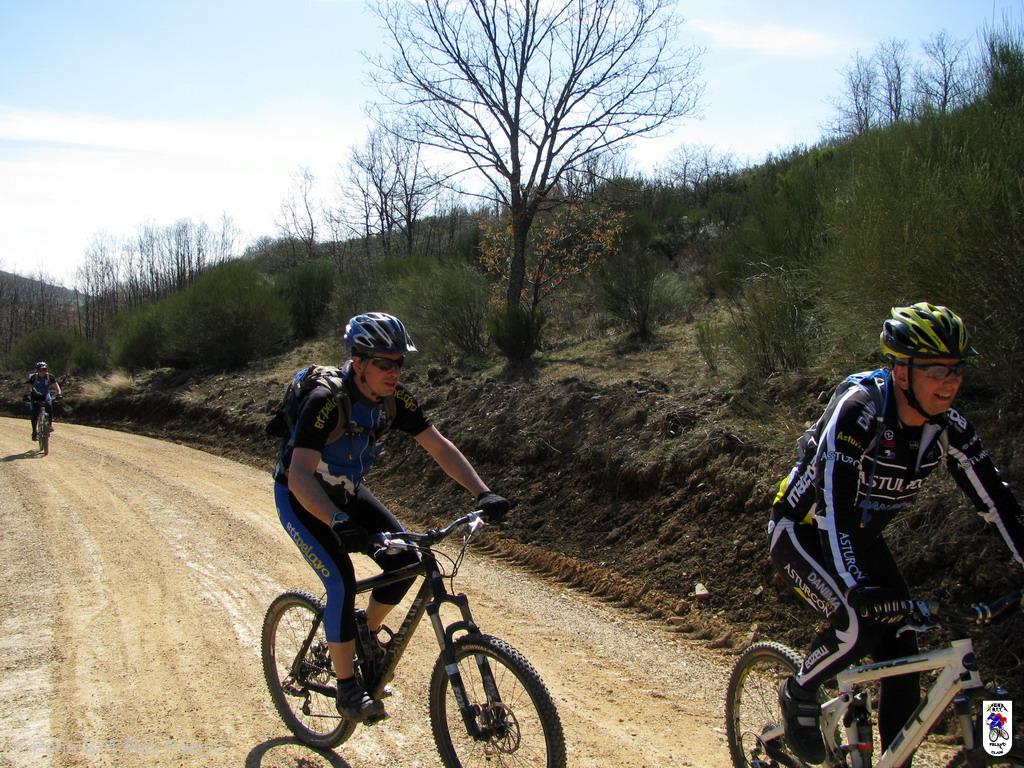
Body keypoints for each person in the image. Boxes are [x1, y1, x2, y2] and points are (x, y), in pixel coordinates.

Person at [767, 302, 1024, 766]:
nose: (950, 381)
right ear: (902, 372)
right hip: (802, 531)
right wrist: (853, 586)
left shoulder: (948, 426)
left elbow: (997, 502)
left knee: (904, 648)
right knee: (859, 624)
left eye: (956, 369)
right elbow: (834, 504)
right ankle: (799, 691)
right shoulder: (859, 409)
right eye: (937, 370)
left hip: (861, 539)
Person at [273, 312, 510, 722]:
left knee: (405, 562)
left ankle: (364, 631)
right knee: (341, 581)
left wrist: (482, 491)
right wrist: (335, 520)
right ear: (358, 362)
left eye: (399, 361)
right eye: (384, 363)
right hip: (303, 499)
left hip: (347, 492)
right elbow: (299, 476)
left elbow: (438, 446)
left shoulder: (395, 401)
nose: (395, 371)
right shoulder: (325, 402)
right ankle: (347, 688)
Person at [26, 361, 61, 442]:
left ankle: (49, 425)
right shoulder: (33, 377)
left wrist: (59, 394)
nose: (42, 372)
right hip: (35, 396)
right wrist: (27, 395)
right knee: (34, 414)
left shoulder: (50, 377)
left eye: (44, 369)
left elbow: (57, 387)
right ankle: (34, 432)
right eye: (40, 370)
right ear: (37, 370)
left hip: (45, 395)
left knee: (49, 406)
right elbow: (29, 387)